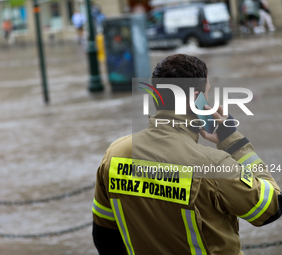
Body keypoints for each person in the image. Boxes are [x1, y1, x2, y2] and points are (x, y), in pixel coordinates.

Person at [92, 54, 282, 254]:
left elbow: (104, 238)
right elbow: (271, 208)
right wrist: (233, 141)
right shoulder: (213, 166)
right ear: (196, 100)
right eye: (206, 93)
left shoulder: (114, 154)